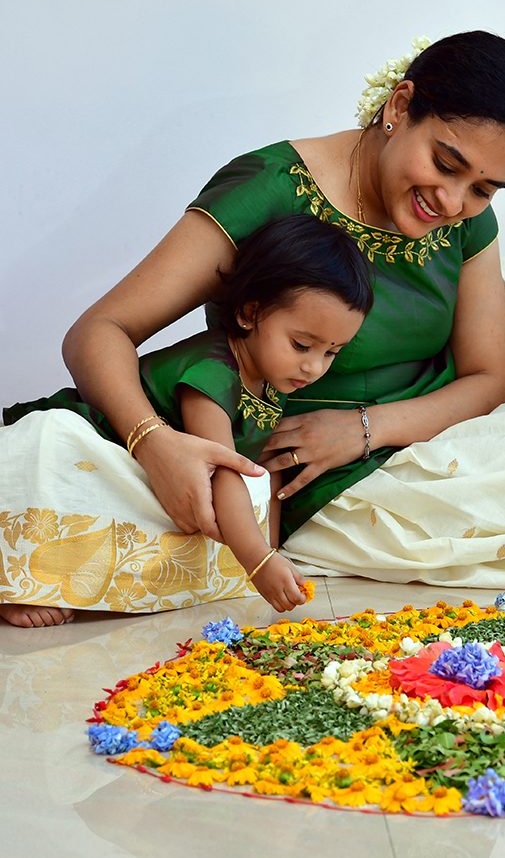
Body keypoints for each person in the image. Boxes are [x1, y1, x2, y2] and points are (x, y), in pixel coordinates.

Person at [2, 30, 505, 625]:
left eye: (486, 189)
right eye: (446, 165)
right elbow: (100, 330)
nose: (455, 204)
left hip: (410, 417)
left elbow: (488, 378)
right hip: (291, 442)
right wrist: (154, 442)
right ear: (401, 107)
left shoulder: (465, 224)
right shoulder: (269, 189)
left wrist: (362, 429)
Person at [0, 214, 373, 626]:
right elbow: (223, 471)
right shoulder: (212, 373)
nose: (313, 367)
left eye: (331, 353)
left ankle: (79, 579)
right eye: (302, 345)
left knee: (224, 513)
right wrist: (258, 560)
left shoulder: (271, 381)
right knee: (50, 445)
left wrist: (270, 551)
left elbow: (263, 473)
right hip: (96, 445)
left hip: (155, 478)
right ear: (250, 313)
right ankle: (18, 580)